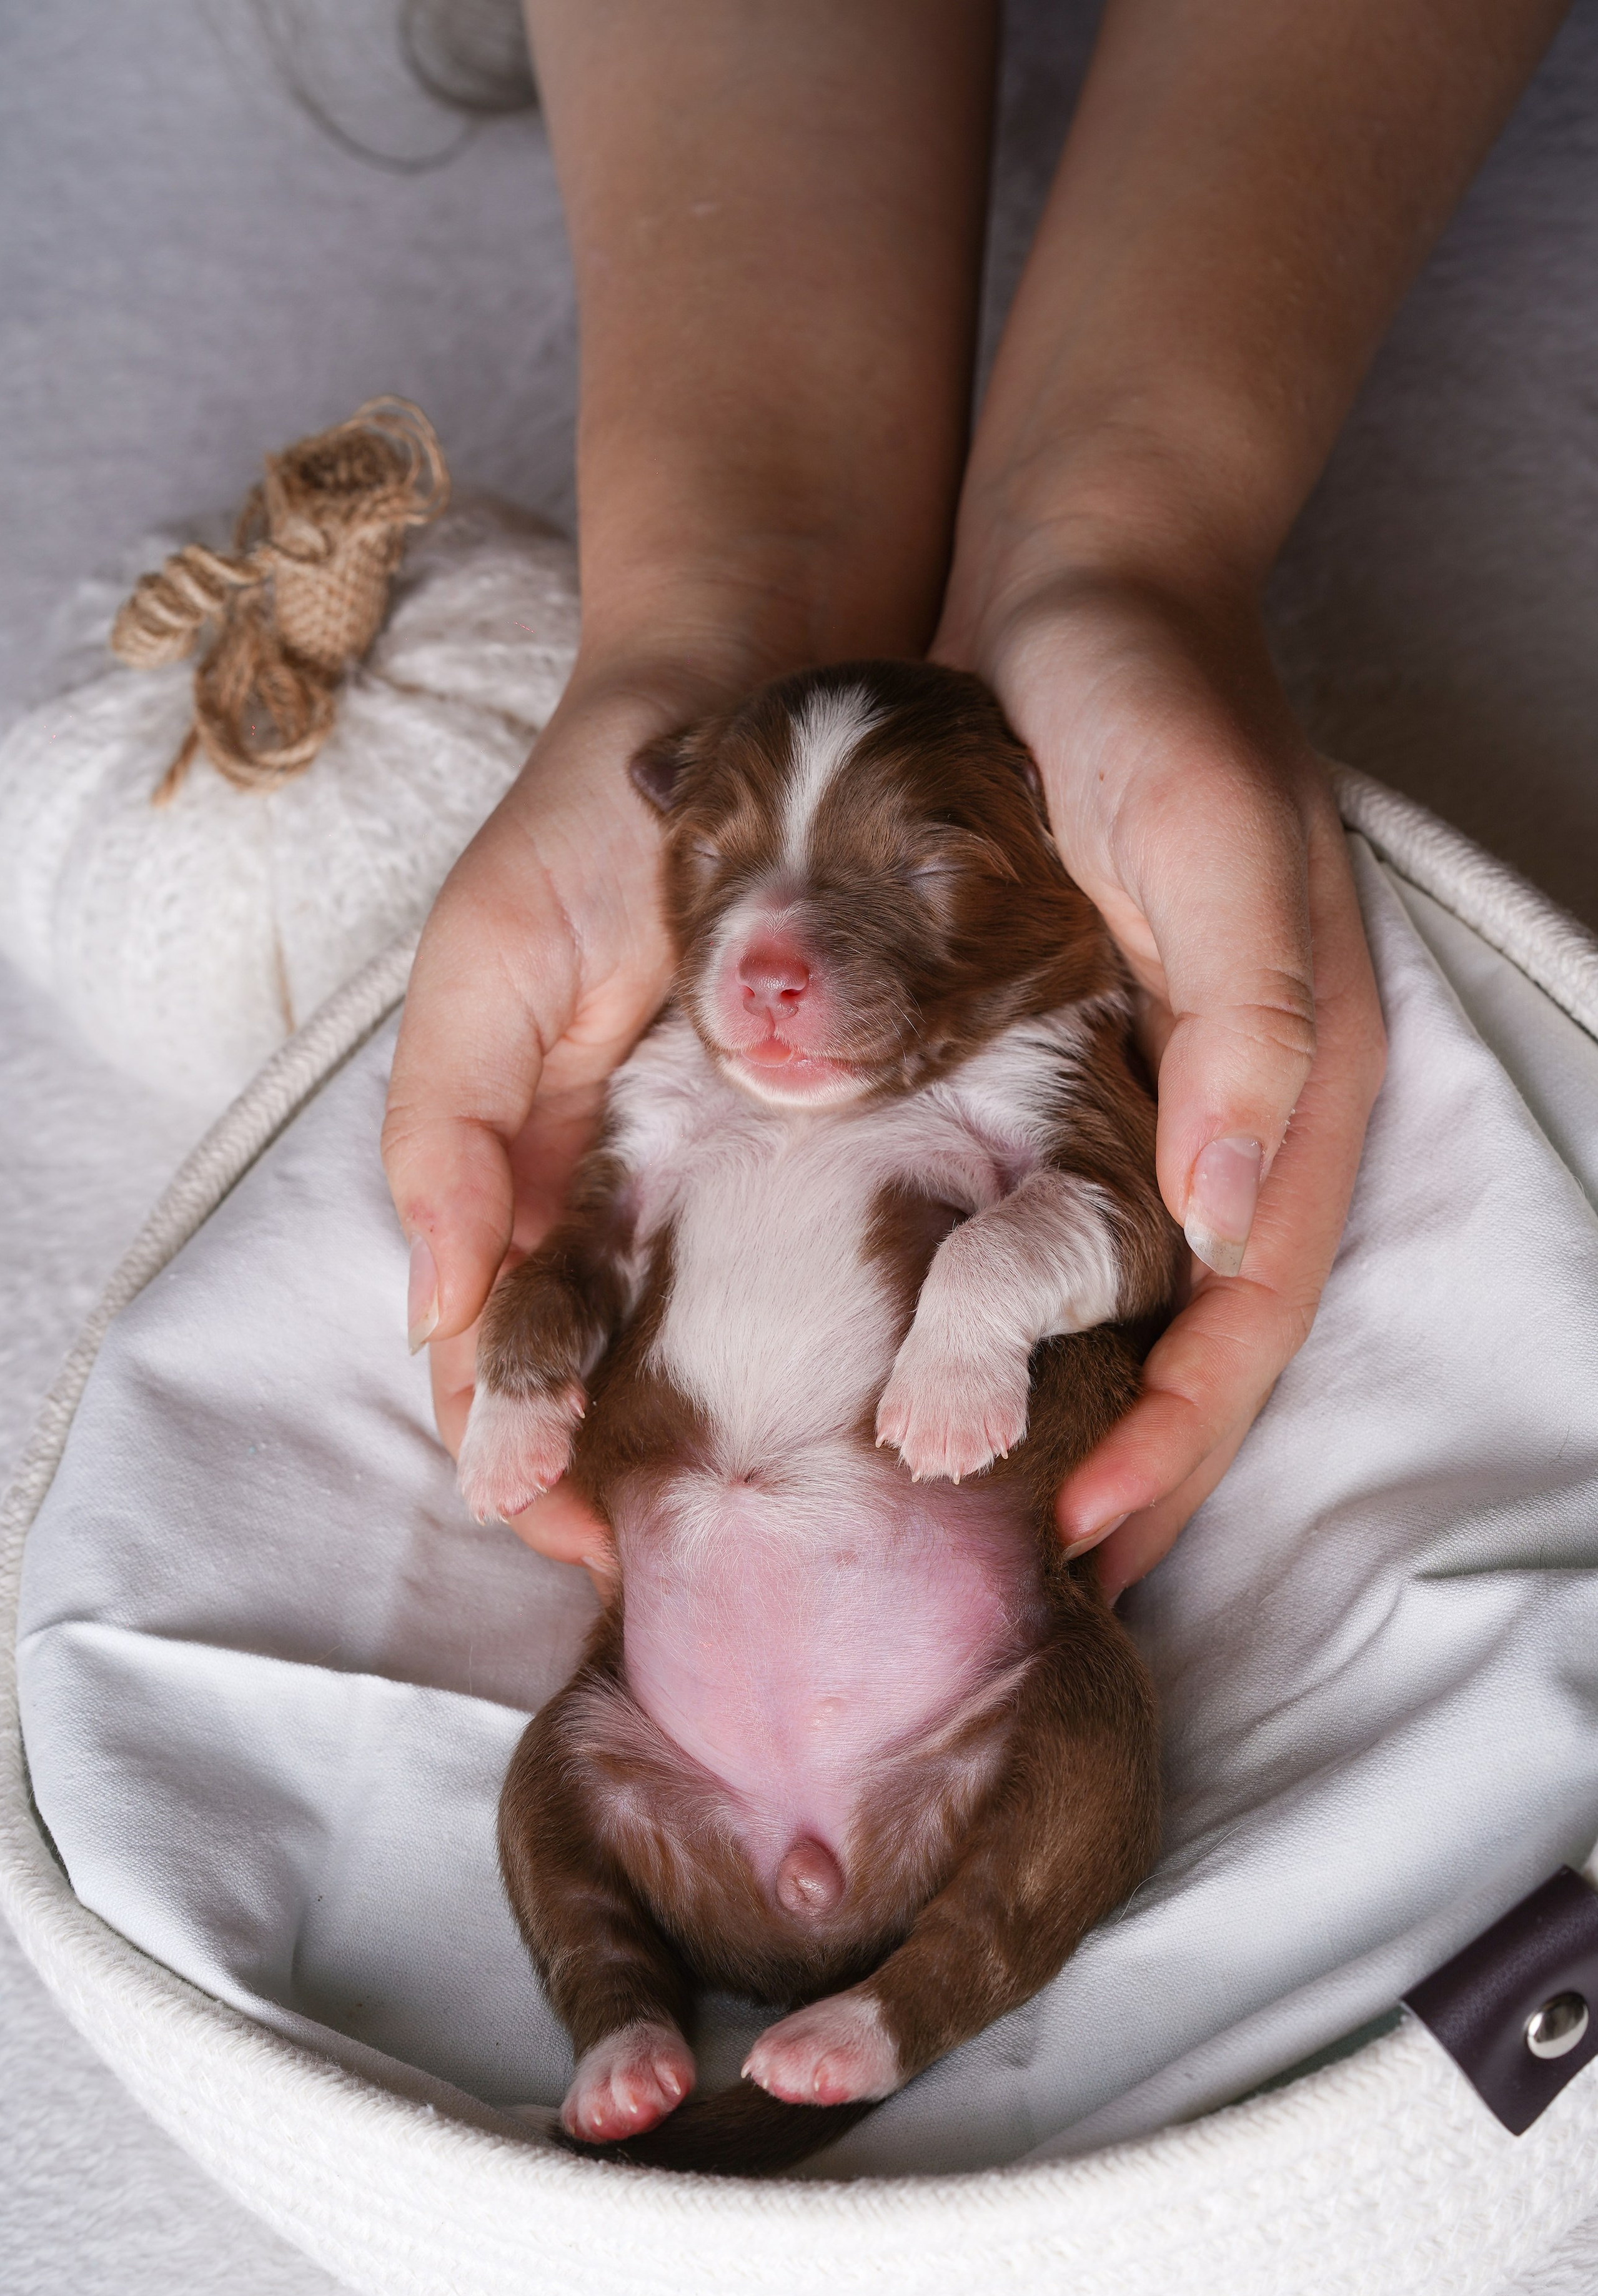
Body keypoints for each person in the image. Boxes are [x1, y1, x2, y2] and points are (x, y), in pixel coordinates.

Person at [382, 0, 1567, 1598]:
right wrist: (722, 604)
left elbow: (1093, 1213)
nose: (775, 953)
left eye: (923, 871)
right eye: (720, 857)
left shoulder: (1032, 1047)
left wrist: (1115, 550)